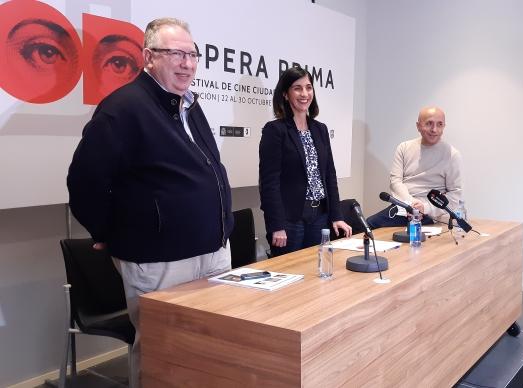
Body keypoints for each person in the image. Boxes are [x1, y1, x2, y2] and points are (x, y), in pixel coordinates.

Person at [66, 18, 233, 386]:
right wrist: (111, 231)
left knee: (207, 349)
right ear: (148, 58)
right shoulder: (123, 108)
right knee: (164, 354)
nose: (187, 62)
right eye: (175, 53)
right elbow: (84, 182)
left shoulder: (190, 104)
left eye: (192, 54)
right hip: (160, 260)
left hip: (212, 251)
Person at [259, 66, 352, 256]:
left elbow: (329, 175)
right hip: (290, 220)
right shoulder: (275, 130)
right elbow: (269, 183)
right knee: (289, 275)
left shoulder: (320, 129)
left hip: (320, 216)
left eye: (308, 88)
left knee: (316, 272)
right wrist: (276, 225)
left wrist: (336, 215)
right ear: (285, 94)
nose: (304, 94)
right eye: (297, 88)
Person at [366, 106, 464, 228]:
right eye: (429, 124)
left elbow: (455, 195)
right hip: (402, 206)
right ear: (418, 126)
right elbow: (395, 181)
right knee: (366, 225)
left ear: (444, 126)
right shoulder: (404, 147)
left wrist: (425, 208)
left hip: (429, 213)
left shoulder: (452, 155)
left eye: (439, 124)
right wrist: (411, 203)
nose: (434, 129)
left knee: (369, 225)